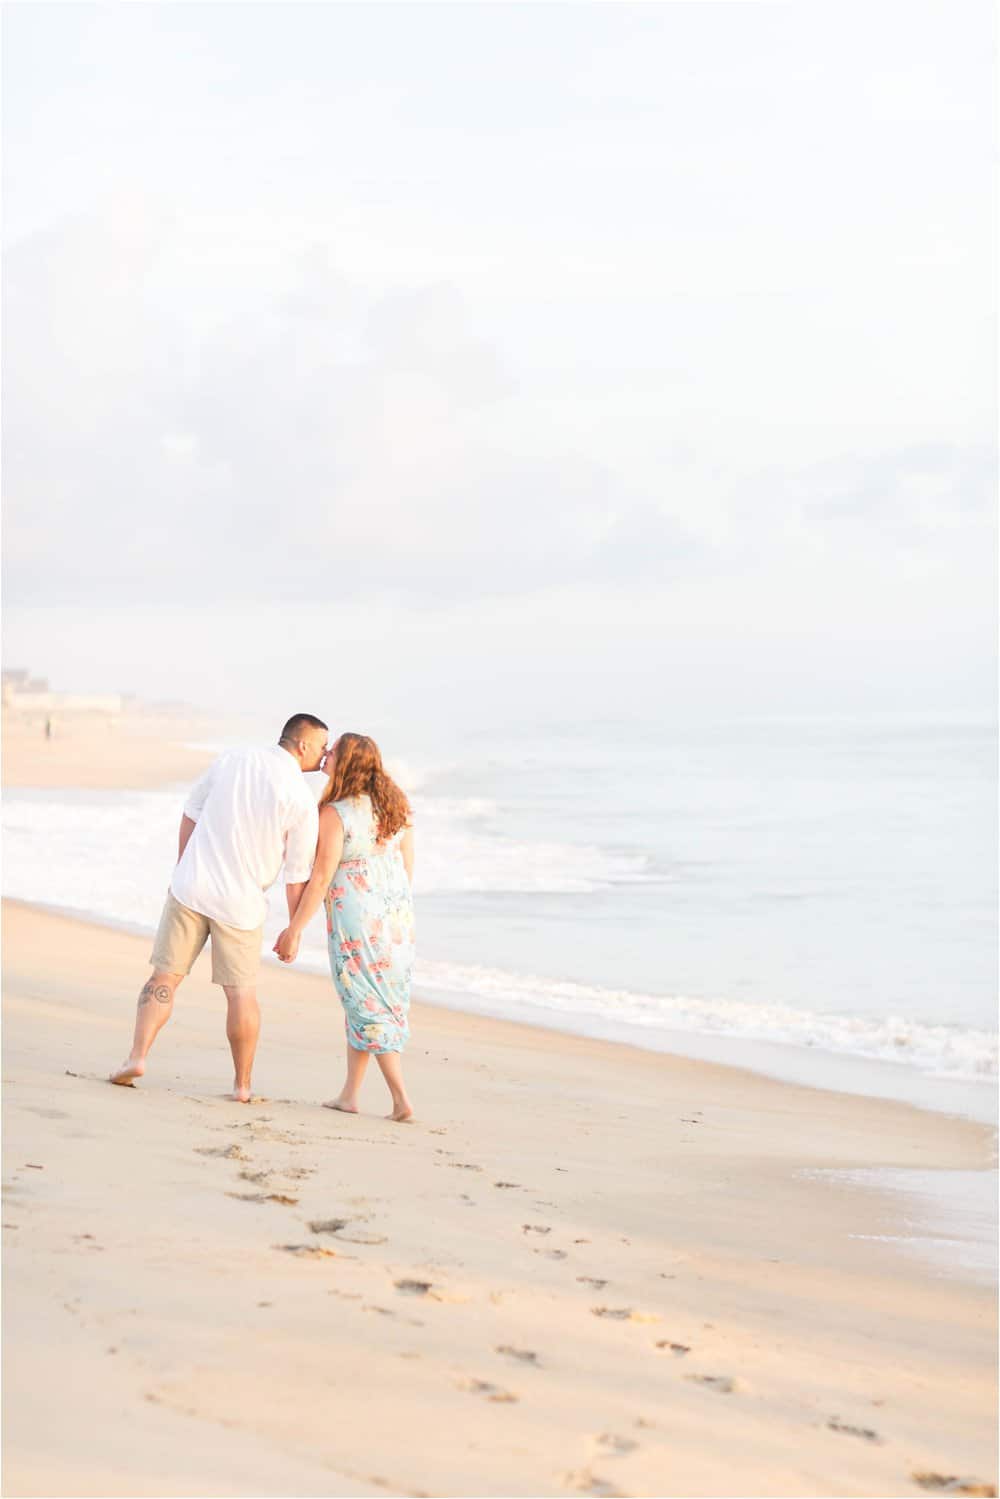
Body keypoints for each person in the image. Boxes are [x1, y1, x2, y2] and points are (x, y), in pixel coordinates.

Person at [109, 713, 329, 1101]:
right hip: (240, 905)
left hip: (192, 886)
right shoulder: (301, 798)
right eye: (323, 746)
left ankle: (136, 1057)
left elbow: (191, 812)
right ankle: (242, 1084)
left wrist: (183, 868)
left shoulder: (234, 758)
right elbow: (297, 875)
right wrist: (294, 930)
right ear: (304, 745)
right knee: (241, 994)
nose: (325, 754)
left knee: (163, 978)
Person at [274, 732, 415, 1122]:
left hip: (358, 920)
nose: (327, 754)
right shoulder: (395, 807)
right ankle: (350, 1095)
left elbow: (321, 877)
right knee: (370, 1001)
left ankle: (401, 1099)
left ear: (347, 762)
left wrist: (294, 930)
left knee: (367, 1002)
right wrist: (393, 908)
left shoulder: (336, 813)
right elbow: (408, 867)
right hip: (397, 920)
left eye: (333, 750)